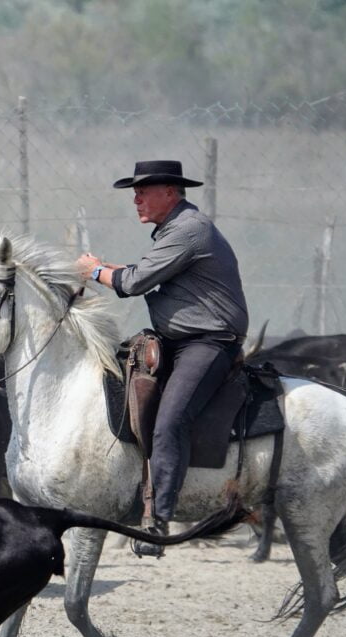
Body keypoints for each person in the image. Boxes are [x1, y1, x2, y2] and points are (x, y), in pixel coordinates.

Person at [75, 160, 249, 557]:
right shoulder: (176, 230)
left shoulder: (189, 230)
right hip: (181, 340)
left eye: (143, 191)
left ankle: (157, 518)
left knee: (171, 419)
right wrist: (103, 271)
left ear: (170, 192)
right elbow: (139, 272)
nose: (135, 199)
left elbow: (134, 282)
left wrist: (94, 269)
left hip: (207, 342)